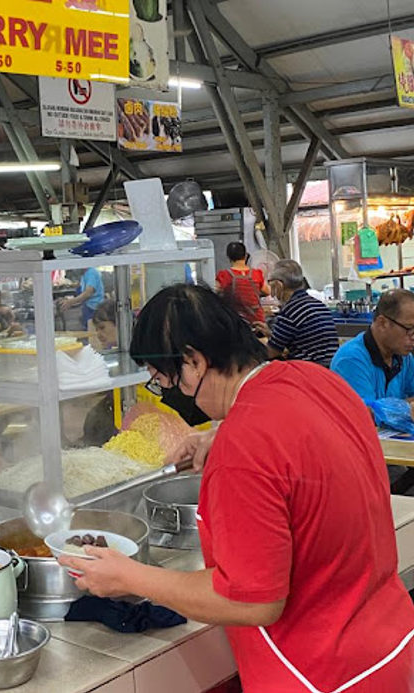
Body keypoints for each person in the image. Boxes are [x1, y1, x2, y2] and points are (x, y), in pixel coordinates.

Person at [60, 283, 414, 692]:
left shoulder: (242, 447)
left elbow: (252, 600)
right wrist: (220, 432)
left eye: (165, 380)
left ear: (194, 360)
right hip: (385, 648)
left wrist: (131, 577)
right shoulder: (316, 379)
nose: (170, 393)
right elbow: (297, 439)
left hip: (317, 673)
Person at [331, 288, 414, 407]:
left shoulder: (404, 357)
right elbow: (366, 414)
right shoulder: (350, 360)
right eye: (409, 328)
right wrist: (406, 407)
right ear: (382, 323)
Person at [267, 259, 339, 367]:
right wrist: (270, 333)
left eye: (272, 287)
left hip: (308, 372)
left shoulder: (290, 310)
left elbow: (271, 352)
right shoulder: (319, 305)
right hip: (330, 370)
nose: (272, 294)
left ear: (279, 285)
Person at [215, 241, 269, 325]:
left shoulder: (224, 275)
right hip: (257, 322)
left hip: (235, 322)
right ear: (246, 256)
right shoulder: (256, 274)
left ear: (228, 257)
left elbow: (215, 292)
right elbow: (267, 291)